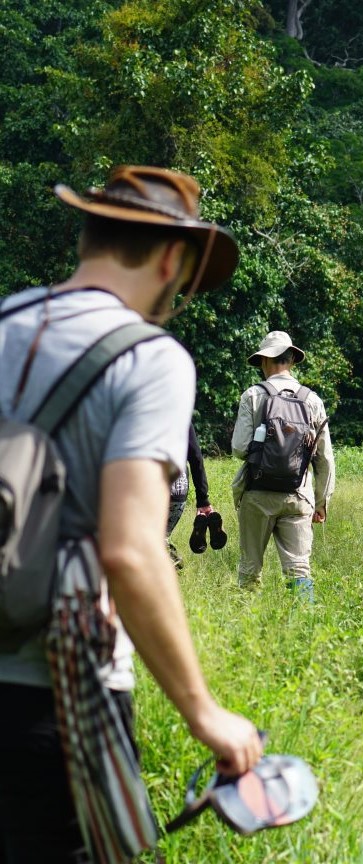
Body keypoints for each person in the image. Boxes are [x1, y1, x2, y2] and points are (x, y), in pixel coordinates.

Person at [0, 165, 263, 860]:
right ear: (173, 257)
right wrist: (203, 713)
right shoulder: (150, 358)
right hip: (50, 697)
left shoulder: (5, 321)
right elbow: (130, 549)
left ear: (89, 234)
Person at [231, 331, 335, 600]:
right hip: (298, 494)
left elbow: (240, 448)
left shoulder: (253, 395)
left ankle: (245, 627)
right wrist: (322, 501)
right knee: (299, 568)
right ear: (291, 360)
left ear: (265, 360)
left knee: (250, 568)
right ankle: (304, 630)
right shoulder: (312, 400)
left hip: (257, 494)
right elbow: (324, 458)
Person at [167, 423, 227, 569]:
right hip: (178, 488)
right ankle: (172, 564)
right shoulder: (181, 414)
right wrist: (203, 500)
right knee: (159, 537)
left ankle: (172, 565)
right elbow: (196, 458)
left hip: (150, 486)